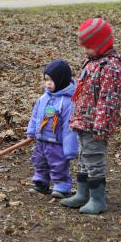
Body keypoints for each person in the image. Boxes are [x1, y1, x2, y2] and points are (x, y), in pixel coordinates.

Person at [60, 18, 121, 214]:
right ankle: (83, 193)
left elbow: (108, 101)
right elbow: (81, 92)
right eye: (84, 47)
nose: (85, 51)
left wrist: (101, 126)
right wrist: (75, 115)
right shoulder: (92, 62)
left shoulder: (111, 68)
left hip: (96, 125)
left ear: (102, 44)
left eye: (89, 47)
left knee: (94, 158)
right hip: (83, 120)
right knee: (83, 157)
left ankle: (98, 199)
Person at [26, 60, 78, 199]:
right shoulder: (43, 98)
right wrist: (31, 131)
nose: (48, 83)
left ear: (61, 80)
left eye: (51, 80)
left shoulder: (68, 102)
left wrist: (70, 149)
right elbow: (36, 116)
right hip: (42, 140)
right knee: (39, 162)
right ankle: (41, 183)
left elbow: (69, 127)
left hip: (57, 142)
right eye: (46, 80)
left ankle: (62, 186)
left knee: (58, 164)